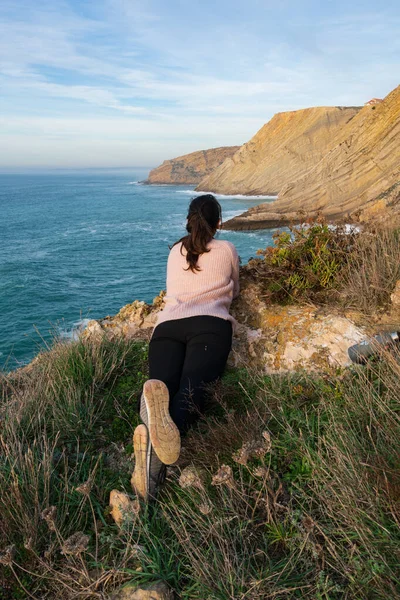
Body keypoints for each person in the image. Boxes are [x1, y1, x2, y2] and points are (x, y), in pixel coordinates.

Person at [131, 194, 240, 501]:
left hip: (167, 328)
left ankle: (147, 461)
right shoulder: (226, 249)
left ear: (189, 220)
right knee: (190, 394)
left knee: (162, 391)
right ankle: (154, 461)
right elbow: (237, 286)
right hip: (210, 325)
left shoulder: (176, 251)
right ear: (218, 223)